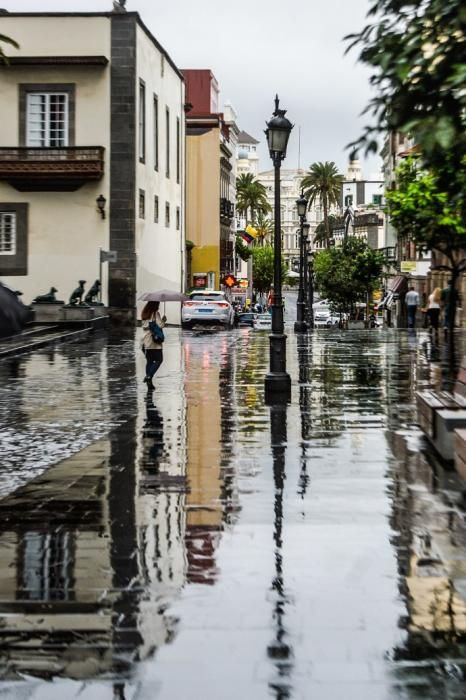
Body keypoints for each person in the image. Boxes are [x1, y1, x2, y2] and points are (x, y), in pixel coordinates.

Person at [141, 301, 166, 390]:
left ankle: (149, 384)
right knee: (159, 360)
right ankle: (149, 376)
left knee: (149, 361)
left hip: (145, 341)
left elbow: (145, 326)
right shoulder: (155, 314)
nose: (159, 306)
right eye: (158, 304)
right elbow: (161, 325)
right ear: (155, 305)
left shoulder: (144, 313)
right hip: (154, 342)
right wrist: (163, 320)